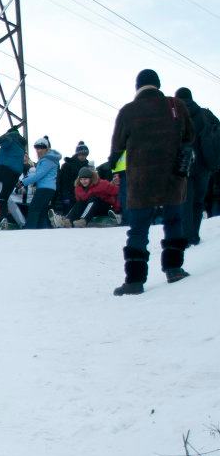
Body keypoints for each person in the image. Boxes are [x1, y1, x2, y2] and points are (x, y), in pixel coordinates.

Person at [109, 69, 194, 296]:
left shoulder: (128, 111)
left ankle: (134, 281)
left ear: (138, 87)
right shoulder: (176, 105)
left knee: (138, 230)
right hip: (172, 179)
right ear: (158, 85)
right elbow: (189, 136)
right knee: (173, 221)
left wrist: (113, 164)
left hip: (141, 183)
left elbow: (117, 148)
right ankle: (174, 269)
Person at [175, 87, 218, 245]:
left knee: (185, 202)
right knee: (198, 202)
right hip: (203, 166)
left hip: (183, 166)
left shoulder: (175, 116)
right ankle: (194, 235)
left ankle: (187, 236)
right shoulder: (206, 114)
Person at [53, 166, 120, 227]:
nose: (83, 181)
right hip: (91, 210)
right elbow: (79, 205)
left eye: (85, 179)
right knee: (80, 202)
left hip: (104, 207)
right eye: (81, 179)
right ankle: (67, 220)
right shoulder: (78, 188)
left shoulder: (102, 184)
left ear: (91, 178)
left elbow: (119, 192)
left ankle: (83, 221)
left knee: (93, 198)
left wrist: (117, 209)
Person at [20, 136, 60, 229]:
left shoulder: (48, 160)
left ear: (47, 149)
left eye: (41, 148)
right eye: (37, 148)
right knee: (42, 211)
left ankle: (30, 229)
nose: (38, 150)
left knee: (34, 208)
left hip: (45, 188)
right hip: (47, 188)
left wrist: (23, 182)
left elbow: (39, 175)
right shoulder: (47, 159)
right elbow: (38, 174)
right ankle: (42, 230)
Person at [55, 141, 90, 215]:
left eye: (85, 154)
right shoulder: (67, 165)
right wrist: (65, 196)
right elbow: (63, 182)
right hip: (69, 195)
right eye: (81, 154)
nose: (83, 156)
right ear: (77, 154)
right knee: (68, 213)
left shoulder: (87, 167)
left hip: (81, 195)